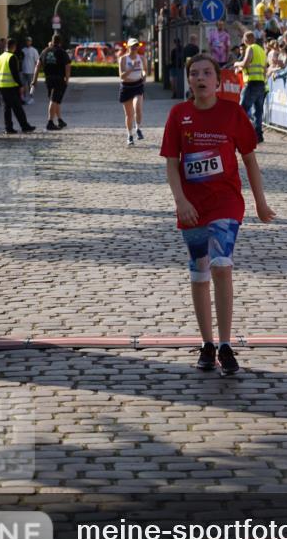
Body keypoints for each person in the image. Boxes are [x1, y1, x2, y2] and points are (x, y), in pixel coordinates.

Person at [160, 53, 276, 376]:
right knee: (199, 272)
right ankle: (207, 344)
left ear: (217, 79)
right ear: (189, 80)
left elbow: (250, 160)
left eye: (206, 73)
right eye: (194, 73)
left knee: (221, 265)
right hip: (193, 207)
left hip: (226, 203)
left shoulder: (232, 113)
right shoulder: (179, 114)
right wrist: (180, 201)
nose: (200, 78)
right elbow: (171, 163)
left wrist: (260, 203)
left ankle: (225, 345)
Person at [0, 38, 35, 135]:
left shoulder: (0, 57)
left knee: (6, 108)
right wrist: (20, 85)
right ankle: (25, 126)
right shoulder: (12, 57)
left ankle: (8, 128)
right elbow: (15, 73)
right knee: (18, 108)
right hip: (11, 86)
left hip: (1, 85)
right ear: (13, 46)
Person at [235, 30, 267, 144]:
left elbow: (245, 63)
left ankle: (239, 134)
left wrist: (236, 64)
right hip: (261, 83)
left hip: (251, 83)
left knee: (242, 109)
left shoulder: (250, 48)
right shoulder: (261, 50)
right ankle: (258, 135)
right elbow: (264, 69)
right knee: (258, 112)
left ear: (246, 40)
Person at [34, 33, 71, 131]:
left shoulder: (45, 51)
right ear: (60, 42)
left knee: (56, 100)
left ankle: (59, 120)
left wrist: (34, 80)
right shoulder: (62, 52)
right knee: (54, 100)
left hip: (48, 79)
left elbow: (37, 66)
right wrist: (67, 80)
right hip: (59, 79)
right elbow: (67, 67)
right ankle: (50, 122)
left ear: (52, 40)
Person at [118, 37, 146, 145]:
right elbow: (122, 76)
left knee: (138, 108)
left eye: (136, 46)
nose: (135, 47)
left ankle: (138, 129)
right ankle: (129, 135)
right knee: (129, 115)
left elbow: (144, 70)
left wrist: (144, 75)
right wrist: (132, 68)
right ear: (128, 47)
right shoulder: (123, 59)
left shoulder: (142, 58)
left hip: (138, 85)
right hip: (126, 87)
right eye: (133, 46)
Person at [20, 37, 39, 103]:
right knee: (23, 85)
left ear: (31, 42)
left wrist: (36, 71)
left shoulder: (34, 50)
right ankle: (24, 97)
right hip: (23, 71)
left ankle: (31, 97)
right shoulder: (23, 50)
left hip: (31, 71)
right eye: (27, 41)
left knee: (31, 85)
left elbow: (37, 61)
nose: (28, 42)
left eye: (29, 41)